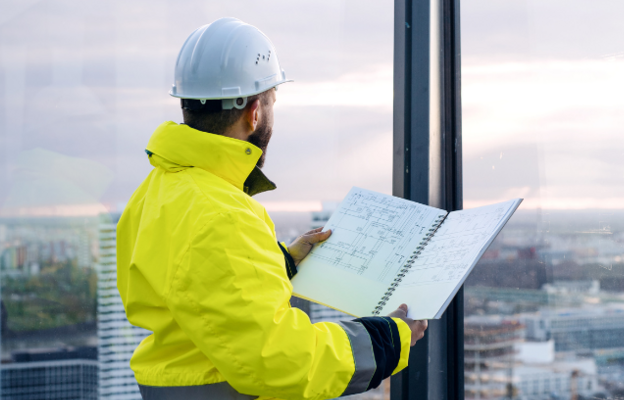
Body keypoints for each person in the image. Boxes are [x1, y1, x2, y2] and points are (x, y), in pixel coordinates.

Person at [116, 18, 428, 400]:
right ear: (255, 113)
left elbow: (196, 289)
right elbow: (281, 361)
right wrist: (389, 339)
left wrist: (279, 263)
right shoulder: (223, 213)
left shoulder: (156, 191)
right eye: (271, 101)